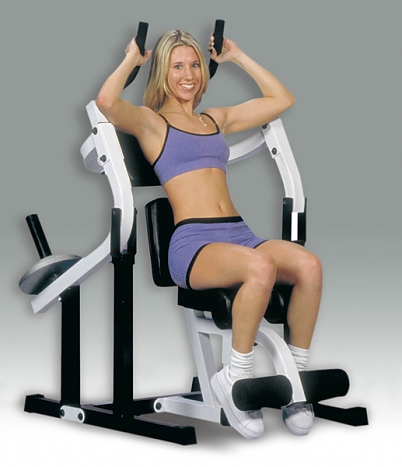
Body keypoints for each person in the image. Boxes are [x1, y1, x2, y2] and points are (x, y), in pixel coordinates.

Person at [96, 29, 322, 440]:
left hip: (239, 234)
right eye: (177, 67)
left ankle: (295, 381)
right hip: (194, 244)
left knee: (308, 266)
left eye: (195, 65)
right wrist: (131, 59)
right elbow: (107, 103)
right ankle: (236, 378)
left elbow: (281, 99)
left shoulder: (214, 119)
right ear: (162, 73)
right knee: (261, 268)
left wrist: (238, 57)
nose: (188, 75)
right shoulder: (153, 123)